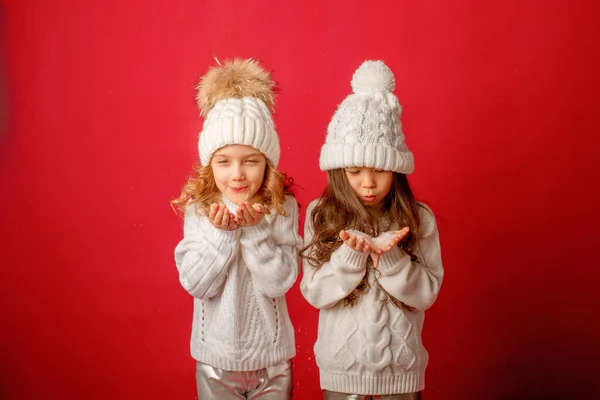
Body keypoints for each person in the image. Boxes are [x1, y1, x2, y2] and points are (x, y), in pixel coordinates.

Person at [300, 60, 444, 399]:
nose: (368, 183)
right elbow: (315, 293)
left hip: (401, 373)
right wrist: (350, 257)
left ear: (396, 168)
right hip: (341, 372)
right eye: (354, 171)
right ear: (338, 171)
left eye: (380, 169)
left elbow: (426, 294)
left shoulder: (418, 217)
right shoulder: (321, 214)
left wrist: (392, 259)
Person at [172, 58, 302, 400]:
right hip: (215, 361)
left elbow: (280, 283)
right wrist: (222, 235)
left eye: (251, 160)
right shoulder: (200, 209)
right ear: (209, 164)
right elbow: (196, 285)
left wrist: (258, 231)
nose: (238, 174)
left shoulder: (281, 208)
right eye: (224, 161)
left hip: (272, 361)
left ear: (268, 163)